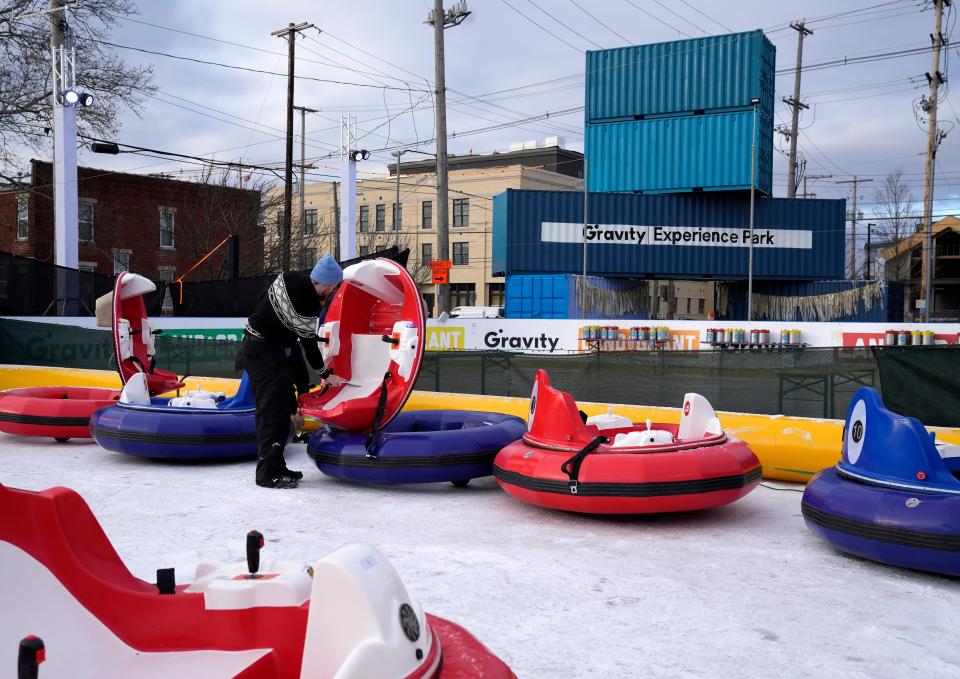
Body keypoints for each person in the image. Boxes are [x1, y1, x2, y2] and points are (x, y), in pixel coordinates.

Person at [239, 254, 343, 489]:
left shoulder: (288, 278)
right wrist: (326, 374)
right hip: (261, 349)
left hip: (264, 347)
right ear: (326, 284)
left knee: (281, 405)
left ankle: (276, 465)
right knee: (272, 411)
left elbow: (265, 305)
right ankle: (267, 474)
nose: (333, 293)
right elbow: (308, 345)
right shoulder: (307, 301)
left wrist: (302, 391)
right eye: (334, 288)